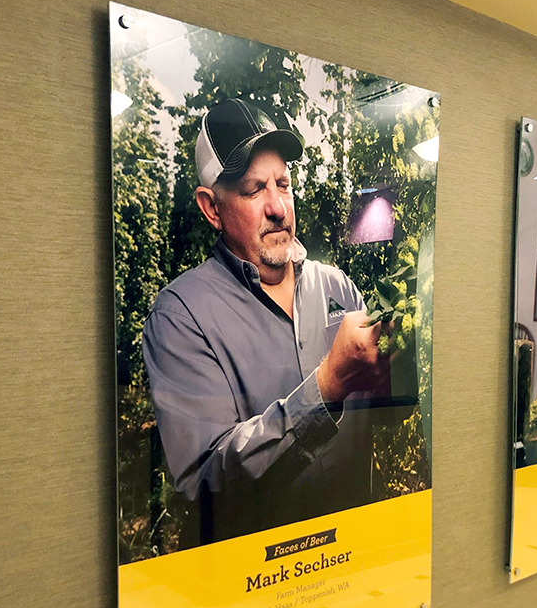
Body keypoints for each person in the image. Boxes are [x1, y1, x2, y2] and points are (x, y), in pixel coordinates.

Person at [142, 98, 386, 545]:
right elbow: (205, 482)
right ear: (212, 209)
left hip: (352, 563)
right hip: (255, 586)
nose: (278, 207)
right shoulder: (181, 316)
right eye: (254, 190)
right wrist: (326, 388)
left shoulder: (338, 289)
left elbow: (386, 411)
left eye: (284, 184)